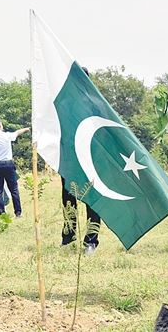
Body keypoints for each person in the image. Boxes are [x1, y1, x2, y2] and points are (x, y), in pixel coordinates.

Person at [60, 66, 101, 256]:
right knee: (69, 199)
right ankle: (68, 236)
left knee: (92, 201)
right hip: (68, 161)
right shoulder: (64, 103)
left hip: (90, 161)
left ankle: (91, 241)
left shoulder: (96, 103)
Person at [0, 118, 29, 217]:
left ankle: (1, 212)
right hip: (8, 164)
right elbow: (17, 132)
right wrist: (26, 129)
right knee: (14, 189)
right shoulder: (6, 135)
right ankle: (18, 212)